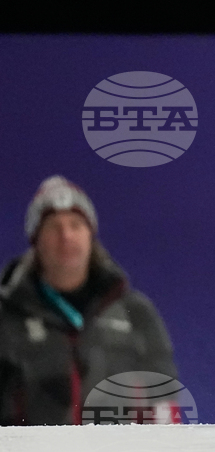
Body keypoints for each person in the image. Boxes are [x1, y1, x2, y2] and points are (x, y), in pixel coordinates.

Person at [0, 176, 178, 425]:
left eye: (75, 224)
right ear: (35, 240)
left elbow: (165, 406)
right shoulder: (6, 313)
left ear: (90, 234)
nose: (66, 236)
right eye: (53, 226)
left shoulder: (135, 312)